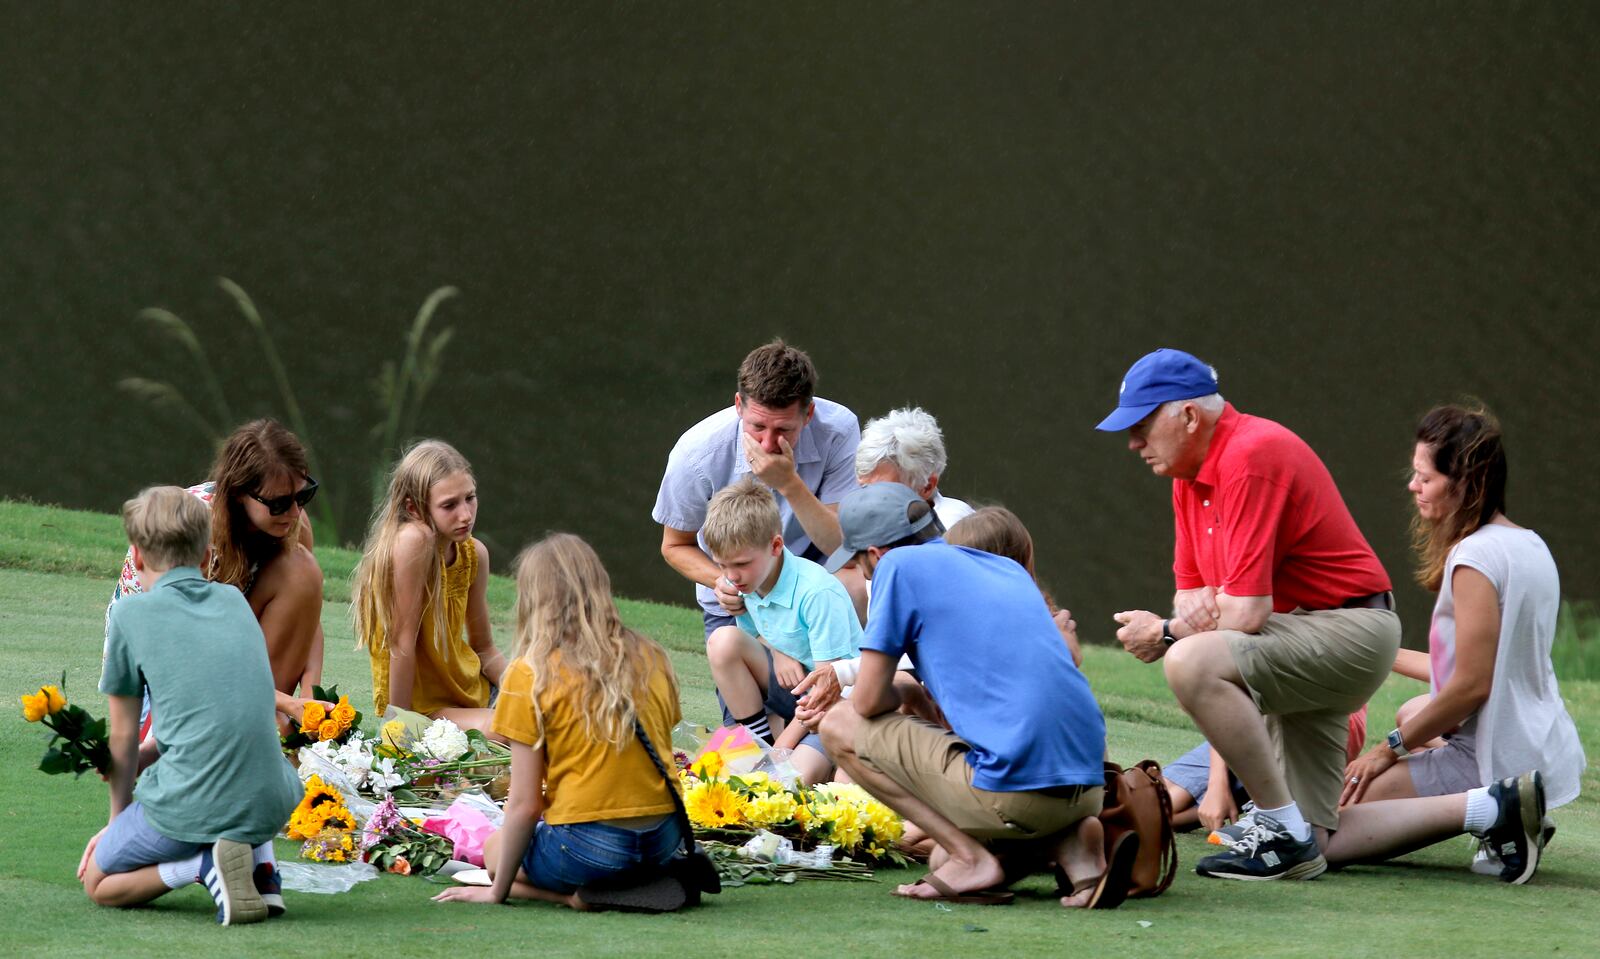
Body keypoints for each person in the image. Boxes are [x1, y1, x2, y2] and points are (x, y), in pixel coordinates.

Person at [1097, 348, 1401, 881]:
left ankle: (1279, 826)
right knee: (1320, 837)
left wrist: (1166, 632)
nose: (1134, 442)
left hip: (1349, 632)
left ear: (1189, 416)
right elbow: (1192, 597)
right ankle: (1485, 809)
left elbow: (1243, 615)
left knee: (1188, 661)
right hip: (1305, 636)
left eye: (1143, 425)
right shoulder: (1188, 480)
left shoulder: (1250, 454)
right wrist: (1192, 616)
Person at [812, 483, 1131, 909]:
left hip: (1017, 795)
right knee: (939, 854)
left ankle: (971, 859)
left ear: (875, 553)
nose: (861, 571)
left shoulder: (897, 568)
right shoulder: (1005, 568)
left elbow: (867, 702)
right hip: (1090, 785)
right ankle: (1074, 845)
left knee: (838, 724)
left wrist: (896, 692)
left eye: (856, 559)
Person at [1315, 404, 1583, 883]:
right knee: (1412, 710)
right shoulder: (1529, 542)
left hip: (1495, 755)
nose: (1412, 486)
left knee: (1324, 825)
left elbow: (1473, 687)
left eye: (1425, 478)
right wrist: (1375, 652)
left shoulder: (1474, 558)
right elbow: (1485, 669)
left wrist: (1387, 751)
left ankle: (1496, 808)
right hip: (1541, 742)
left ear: (1465, 484)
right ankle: (1521, 816)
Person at [81, 486, 301, 925]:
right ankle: (263, 871)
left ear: (137, 557)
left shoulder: (130, 615)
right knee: (235, 785)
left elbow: (122, 736)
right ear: (206, 556)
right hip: (275, 799)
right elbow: (218, 706)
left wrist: (115, 824)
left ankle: (201, 867)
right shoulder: (234, 601)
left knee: (98, 883)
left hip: (193, 806)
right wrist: (149, 755)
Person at [432, 534, 687, 911]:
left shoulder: (530, 674)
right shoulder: (653, 655)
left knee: (495, 848)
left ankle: (567, 897)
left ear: (534, 601)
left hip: (591, 849)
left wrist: (495, 889)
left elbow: (524, 805)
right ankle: (628, 881)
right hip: (665, 839)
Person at [107, 418, 327, 739]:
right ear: (239, 493)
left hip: (227, 662)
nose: (293, 512)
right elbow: (189, 658)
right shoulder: (189, 531)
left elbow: (310, 621)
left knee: (303, 570)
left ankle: (258, 729)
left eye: (302, 495)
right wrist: (286, 704)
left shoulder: (291, 519)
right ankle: (240, 729)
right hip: (161, 671)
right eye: (278, 503)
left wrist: (309, 697)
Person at [653, 339, 860, 643]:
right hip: (738, 603)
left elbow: (842, 547)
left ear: (809, 414)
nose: (768, 444)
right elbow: (674, 546)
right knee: (755, 683)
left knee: (859, 583)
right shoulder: (696, 454)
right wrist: (722, 581)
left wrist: (789, 484)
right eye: (758, 426)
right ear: (739, 405)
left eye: (784, 430)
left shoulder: (839, 431)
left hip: (814, 587)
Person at [701, 477, 861, 784]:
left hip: (834, 708)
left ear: (776, 546)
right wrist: (777, 653)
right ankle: (754, 742)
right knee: (723, 641)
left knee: (789, 785)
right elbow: (752, 635)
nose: (731, 577)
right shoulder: (750, 580)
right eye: (722, 565)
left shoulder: (816, 593)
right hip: (797, 690)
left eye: (740, 564)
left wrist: (780, 753)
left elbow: (826, 692)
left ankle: (802, 757)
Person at [353, 440, 509, 737]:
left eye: (470, 498)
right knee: (509, 729)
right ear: (413, 508)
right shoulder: (413, 540)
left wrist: (527, 691)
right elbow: (401, 643)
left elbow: (484, 647)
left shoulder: (475, 554)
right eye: (449, 505)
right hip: (425, 709)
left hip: (474, 695)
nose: (465, 515)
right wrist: (397, 731)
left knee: (550, 716)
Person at [839, 406, 972, 623]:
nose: (869, 501)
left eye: (883, 491)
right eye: (864, 489)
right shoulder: (879, 525)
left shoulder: (954, 530)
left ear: (927, 486)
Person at [1164, 708, 1366, 835]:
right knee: (1165, 798)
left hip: (1309, 736)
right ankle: (1250, 798)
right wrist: (1217, 786)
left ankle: (1256, 801)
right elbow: (1230, 710)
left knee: (1164, 811)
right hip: (1251, 726)